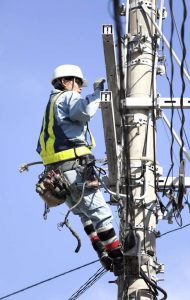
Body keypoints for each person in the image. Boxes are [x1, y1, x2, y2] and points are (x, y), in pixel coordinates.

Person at [36, 64, 123, 276]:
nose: (80, 89)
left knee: (84, 212)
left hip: (56, 173)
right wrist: (98, 94)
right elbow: (82, 111)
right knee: (100, 212)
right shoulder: (66, 97)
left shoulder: (51, 103)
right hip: (73, 167)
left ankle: (101, 250)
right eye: (78, 84)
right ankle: (118, 257)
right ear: (65, 82)